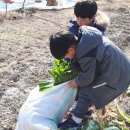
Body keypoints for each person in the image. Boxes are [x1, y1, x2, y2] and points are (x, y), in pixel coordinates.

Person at [49, 26, 130, 129]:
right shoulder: (85, 40)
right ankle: (83, 109)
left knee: (87, 91)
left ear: (70, 50)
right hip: (117, 69)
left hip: (118, 77)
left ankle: (75, 121)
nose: (66, 59)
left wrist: (75, 82)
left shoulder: (86, 53)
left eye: (65, 56)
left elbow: (87, 78)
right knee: (83, 85)